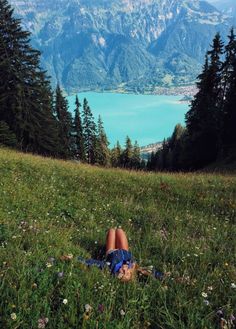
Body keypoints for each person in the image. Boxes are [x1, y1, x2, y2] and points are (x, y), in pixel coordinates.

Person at [77, 228, 164, 282]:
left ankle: (107, 243)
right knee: (119, 230)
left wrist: (76, 259)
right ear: (131, 273)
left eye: (122, 273)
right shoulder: (133, 266)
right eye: (127, 273)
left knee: (111, 231)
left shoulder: (109, 267)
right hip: (124, 249)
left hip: (111, 251)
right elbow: (150, 271)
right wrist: (163, 277)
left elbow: (93, 263)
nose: (124, 270)